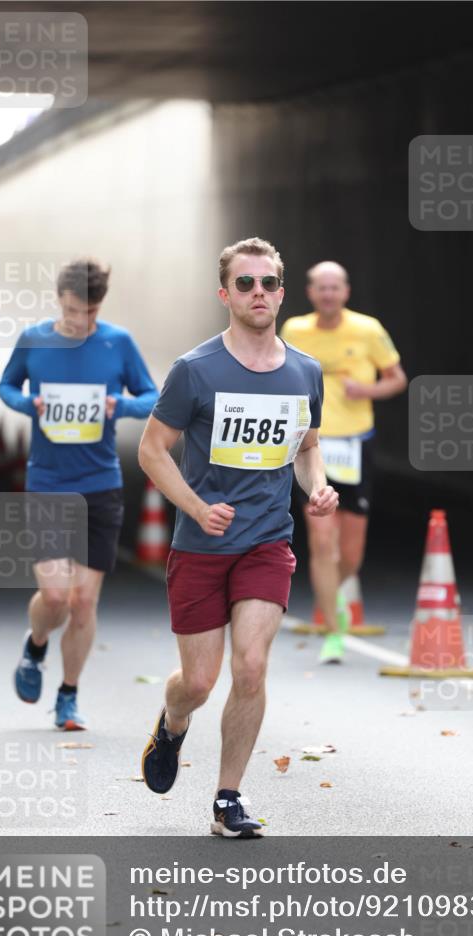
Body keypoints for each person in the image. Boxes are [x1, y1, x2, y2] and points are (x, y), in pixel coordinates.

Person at [138, 236, 337, 838]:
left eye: (268, 283)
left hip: (266, 540)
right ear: (225, 293)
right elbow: (152, 450)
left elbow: (307, 449)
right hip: (201, 546)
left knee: (250, 667)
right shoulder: (195, 371)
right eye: (245, 284)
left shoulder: (305, 371)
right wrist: (196, 508)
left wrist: (318, 487)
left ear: (282, 291)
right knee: (197, 682)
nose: (258, 293)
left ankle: (228, 798)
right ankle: (172, 724)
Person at [0, 259, 158, 730]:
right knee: (55, 596)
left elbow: (151, 394)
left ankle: (67, 696)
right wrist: (30, 404)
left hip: (100, 485)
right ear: (58, 300)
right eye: (72, 311)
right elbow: (6, 385)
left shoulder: (117, 342)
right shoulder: (34, 339)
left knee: (83, 602)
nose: (80, 322)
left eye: (89, 313)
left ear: (99, 306)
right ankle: (36, 645)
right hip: (48, 483)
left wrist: (121, 405)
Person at [281, 261, 407, 664]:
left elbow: (398, 378)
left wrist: (365, 388)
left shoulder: (368, 330)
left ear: (346, 292)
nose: (329, 294)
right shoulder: (295, 331)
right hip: (311, 444)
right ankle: (334, 634)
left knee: (350, 552)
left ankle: (334, 595)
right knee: (321, 540)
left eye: (335, 287)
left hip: (355, 445)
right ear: (311, 292)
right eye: (322, 287)